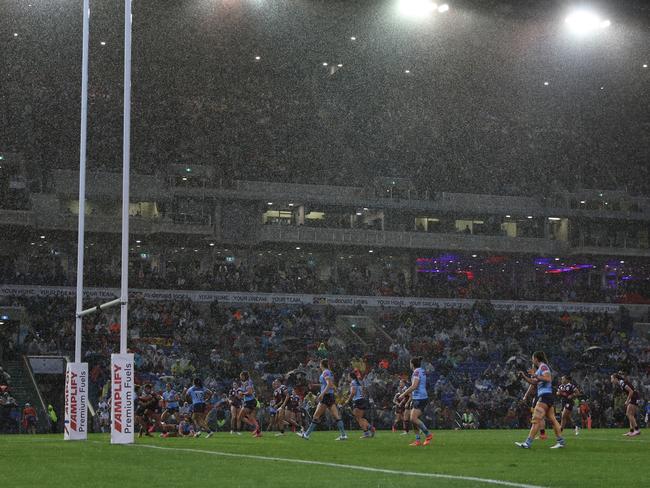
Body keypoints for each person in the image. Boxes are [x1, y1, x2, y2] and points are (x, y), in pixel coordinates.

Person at [515, 351, 565, 449]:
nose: (532, 360)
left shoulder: (543, 367)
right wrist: (524, 376)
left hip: (544, 397)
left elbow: (548, 378)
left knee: (536, 419)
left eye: (532, 358)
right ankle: (561, 442)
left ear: (536, 359)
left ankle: (527, 443)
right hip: (548, 396)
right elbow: (534, 383)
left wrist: (535, 375)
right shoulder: (540, 369)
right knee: (552, 419)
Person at [298, 359, 347, 440]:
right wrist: (315, 385)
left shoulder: (325, 372)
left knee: (315, 416)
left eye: (320, 364)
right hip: (330, 395)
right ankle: (343, 435)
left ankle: (306, 434)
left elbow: (329, 384)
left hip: (326, 396)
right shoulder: (329, 372)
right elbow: (326, 384)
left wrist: (322, 394)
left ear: (321, 365)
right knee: (336, 416)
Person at [399, 357, 433, 447]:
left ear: (412, 364)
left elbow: (414, 386)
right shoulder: (421, 370)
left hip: (419, 397)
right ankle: (417, 440)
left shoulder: (416, 372)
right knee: (413, 419)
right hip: (420, 396)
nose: (409, 365)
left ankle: (428, 434)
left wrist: (403, 394)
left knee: (413, 418)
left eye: (410, 363)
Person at [611, 372, 641, 437]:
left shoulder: (622, 383)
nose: (611, 381)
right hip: (634, 397)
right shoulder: (621, 383)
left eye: (612, 379)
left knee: (629, 414)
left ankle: (637, 430)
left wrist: (627, 401)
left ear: (616, 379)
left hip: (634, 397)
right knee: (630, 414)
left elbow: (631, 391)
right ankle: (631, 431)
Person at [346, 371, 375, 438]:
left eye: (348, 376)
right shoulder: (358, 382)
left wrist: (348, 400)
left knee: (358, 418)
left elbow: (353, 392)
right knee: (360, 418)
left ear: (350, 377)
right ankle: (370, 428)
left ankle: (366, 433)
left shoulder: (353, 382)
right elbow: (363, 391)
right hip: (362, 400)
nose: (347, 377)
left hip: (357, 401)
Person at [238, 371, 261, 437]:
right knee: (251, 417)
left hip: (249, 401)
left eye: (241, 376)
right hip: (250, 401)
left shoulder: (248, 382)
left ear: (244, 376)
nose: (240, 377)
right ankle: (258, 431)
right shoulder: (245, 382)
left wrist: (242, 394)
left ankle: (255, 428)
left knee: (240, 417)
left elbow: (250, 392)